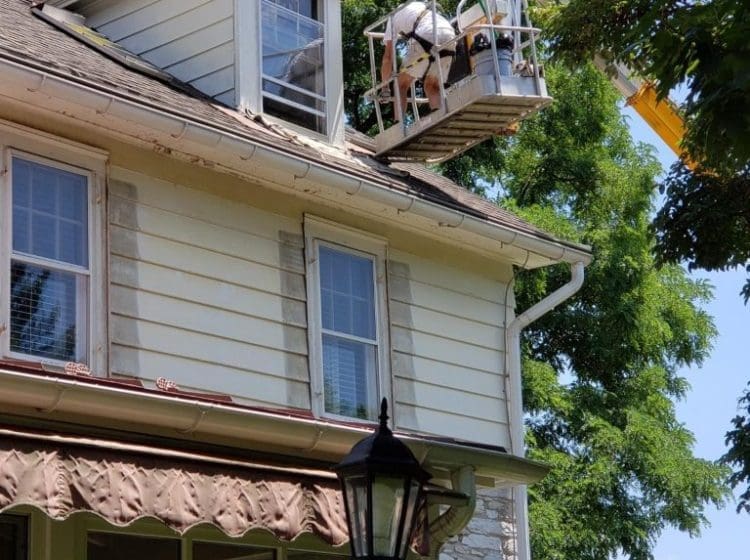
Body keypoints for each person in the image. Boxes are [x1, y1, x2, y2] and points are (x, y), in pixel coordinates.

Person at [381, 2, 456, 120]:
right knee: (432, 86)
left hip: (427, 34)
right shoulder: (418, 5)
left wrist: (385, 87)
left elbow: (387, 59)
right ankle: (441, 118)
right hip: (449, 35)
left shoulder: (393, 17)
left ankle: (399, 125)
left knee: (401, 83)